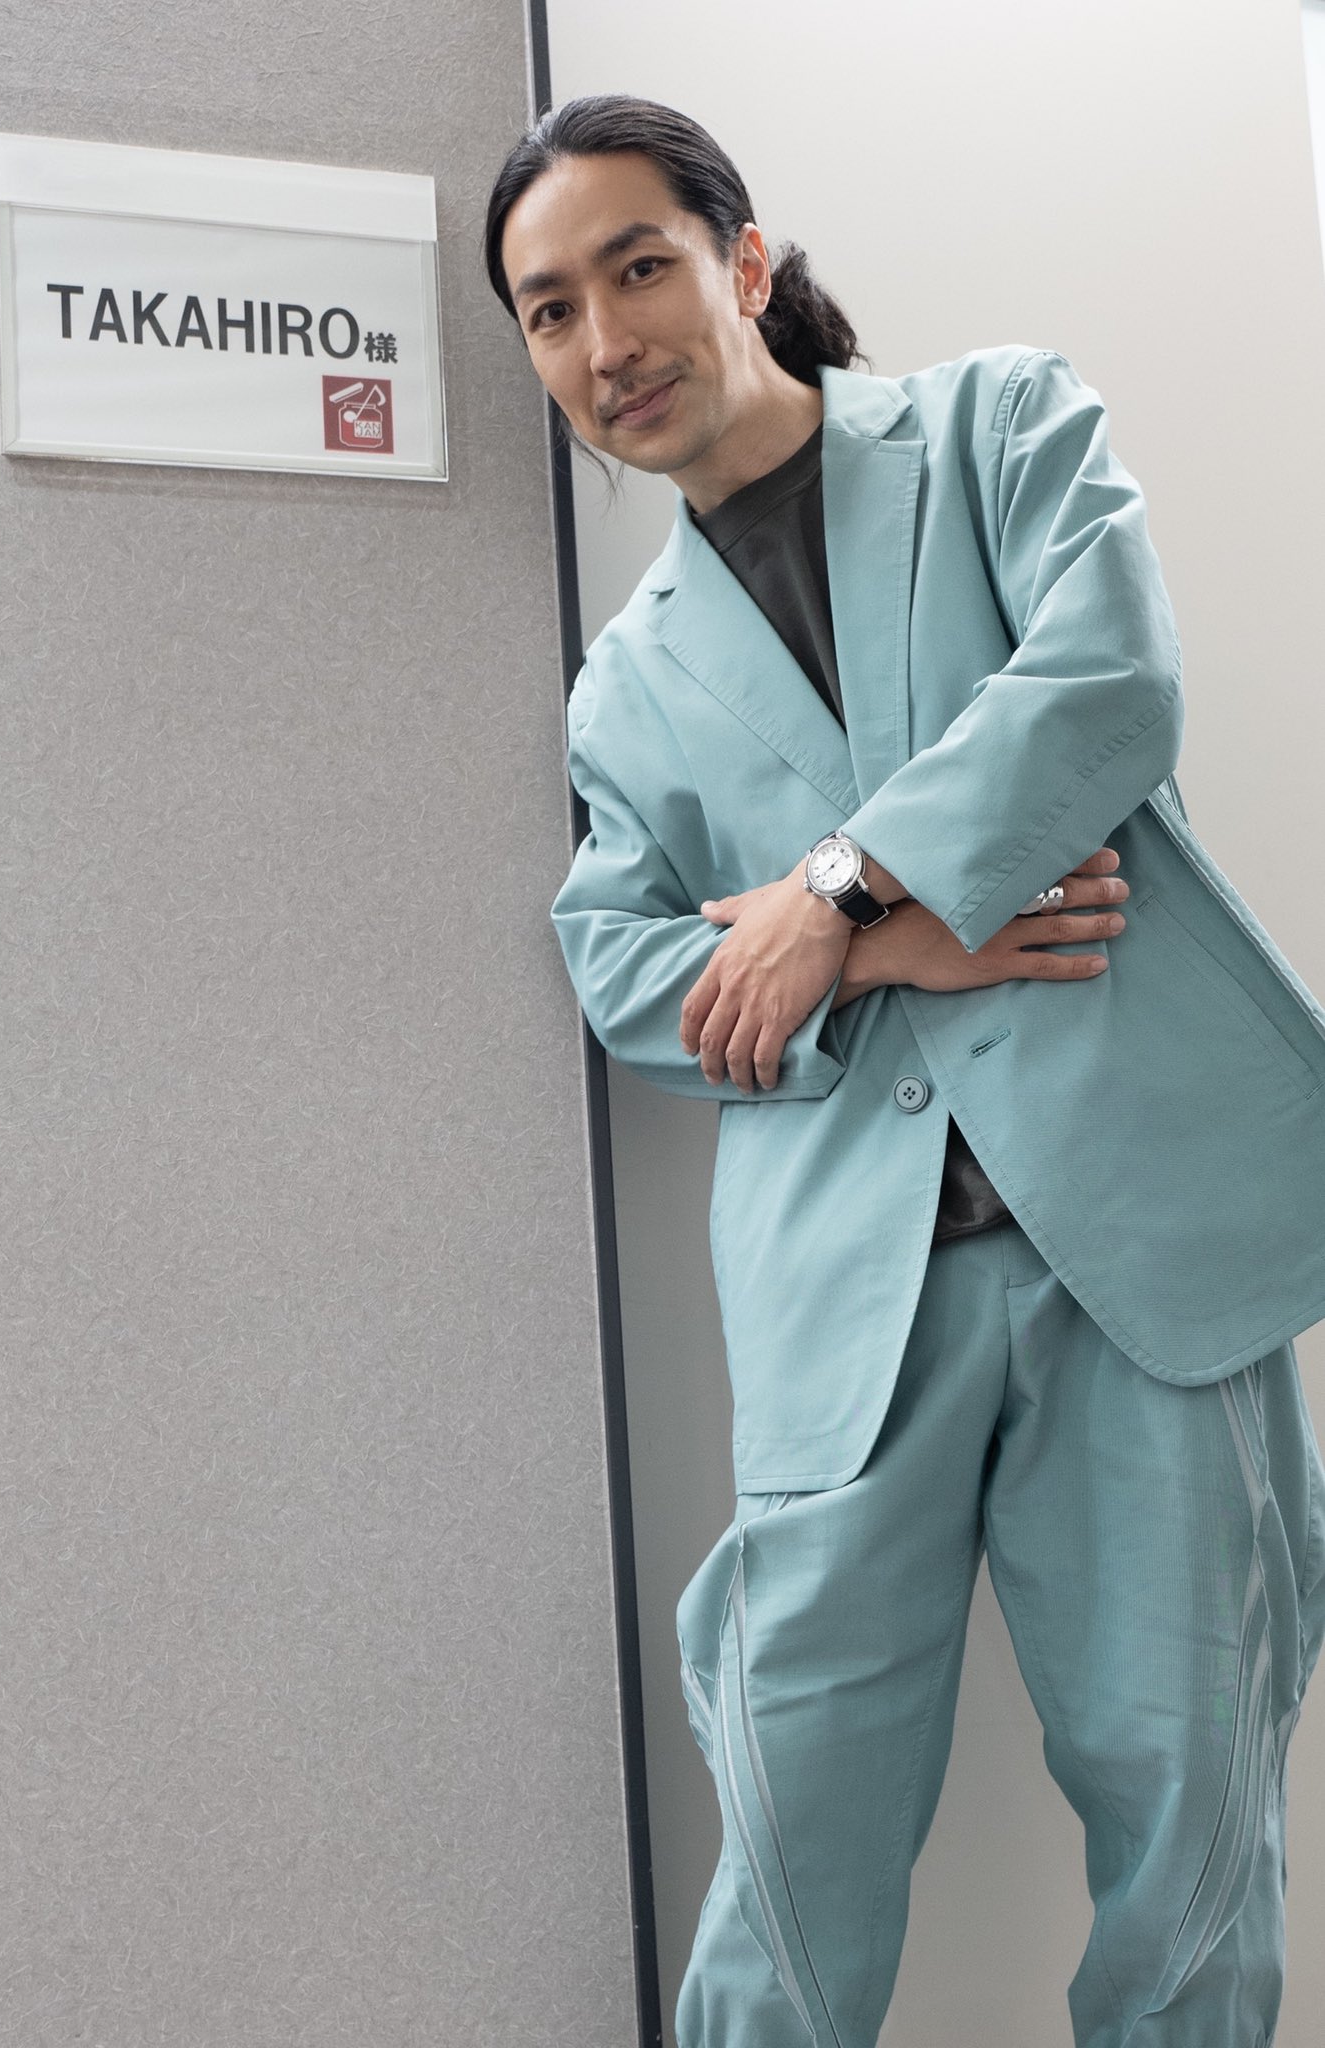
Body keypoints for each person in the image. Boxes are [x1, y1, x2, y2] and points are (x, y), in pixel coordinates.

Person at [483, 92, 1325, 2048]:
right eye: (550, 309)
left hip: (1137, 1259)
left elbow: (1104, 685)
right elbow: (620, 966)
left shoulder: (997, 431)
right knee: (792, 1855)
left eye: (637, 267)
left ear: (742, 263)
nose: (606, 339)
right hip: (847, 1308)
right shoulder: (626, 682)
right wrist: (890, 936)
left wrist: (824, 896)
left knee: (1194, 1832)